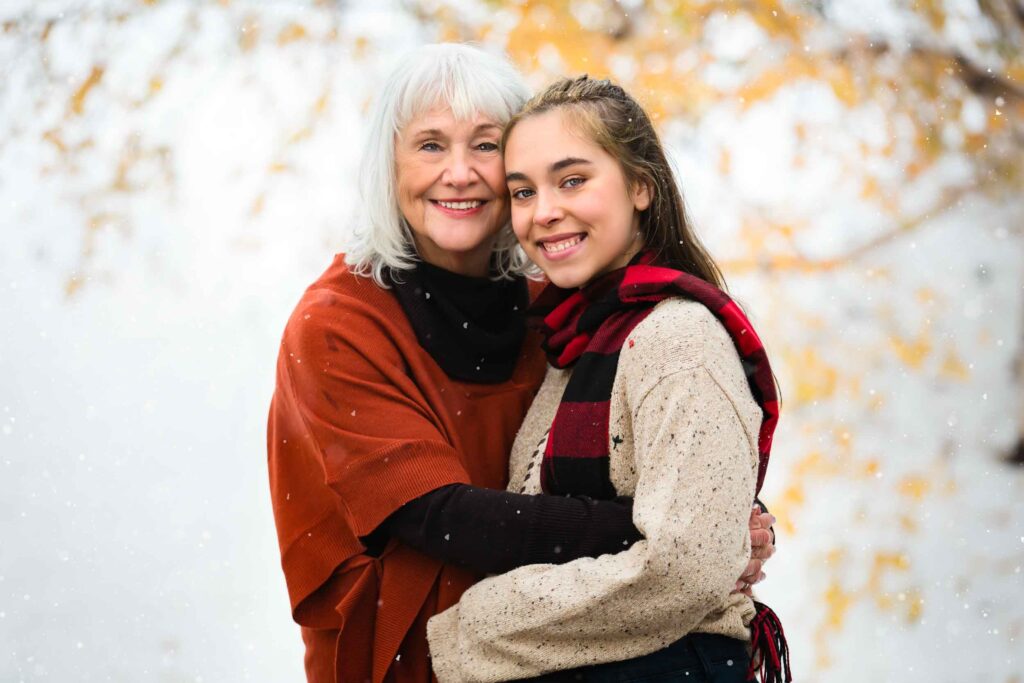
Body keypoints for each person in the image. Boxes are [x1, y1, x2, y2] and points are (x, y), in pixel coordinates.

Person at [267, 45, 776, 683]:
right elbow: (441, 518)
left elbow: (658, 445)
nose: (459, 173)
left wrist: (720, 518)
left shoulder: (559, 308)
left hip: (571, 653)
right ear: (386, 166)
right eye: (429, 145)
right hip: (415, 657)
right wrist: (678, 536)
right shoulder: (338, 324)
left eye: (485, 147)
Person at [426, 76, 790, 683]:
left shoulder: (678, 338)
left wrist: (477, 624)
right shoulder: (575, 346)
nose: (543, 212)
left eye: (572, 181)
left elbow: (686, 566)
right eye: (522, 191)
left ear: (641, 185)